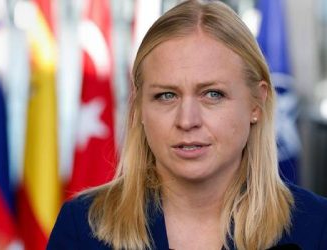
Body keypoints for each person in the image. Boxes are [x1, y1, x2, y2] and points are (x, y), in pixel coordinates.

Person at [47, 0, 327, 249]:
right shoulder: (83, 227)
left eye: (212, 94)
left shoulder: (317, 228)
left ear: (256, 104)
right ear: (140, 107)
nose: (187, 120)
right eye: (166, 95)